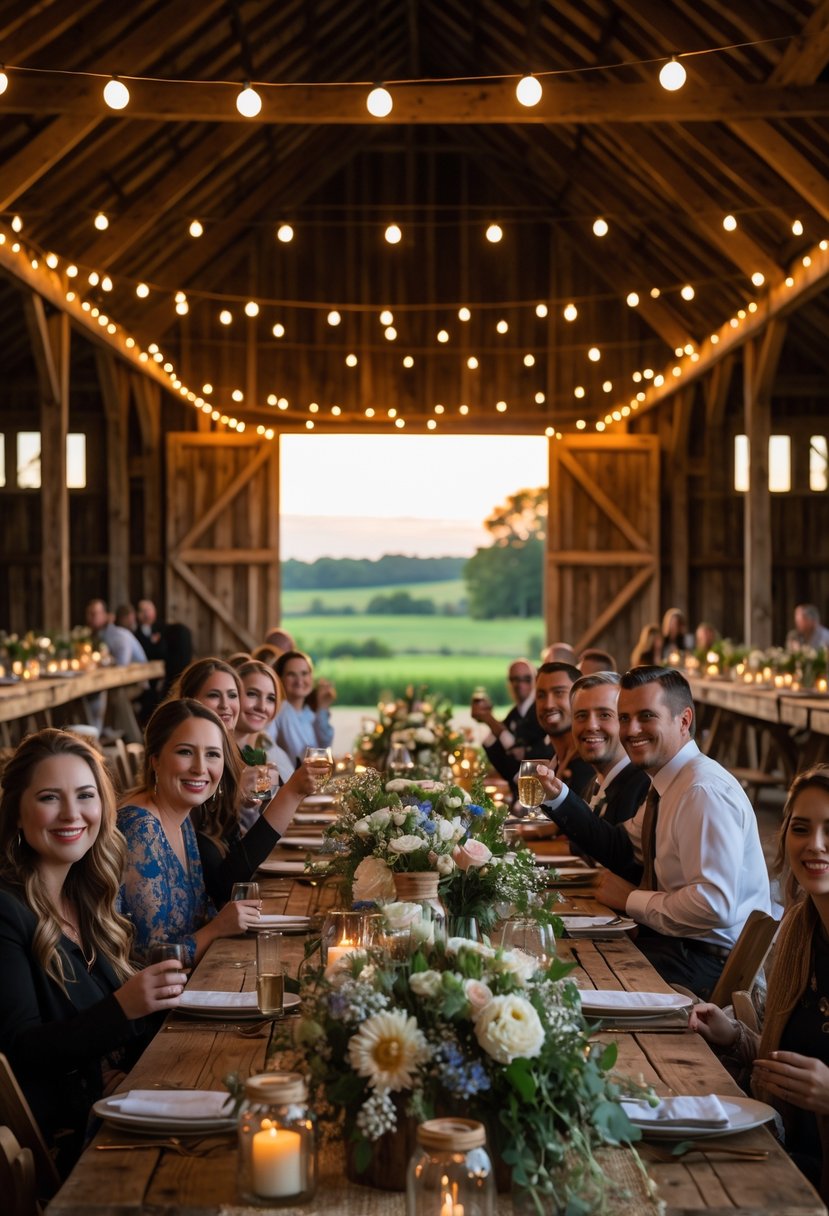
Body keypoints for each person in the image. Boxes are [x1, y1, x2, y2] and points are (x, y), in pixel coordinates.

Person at [0, 729, 186, 1175]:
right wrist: (123, 1010)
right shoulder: (6, 911)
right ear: (17, 813)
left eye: (86, 795)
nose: (72, 814)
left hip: (119, 1107)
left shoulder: (86, 899)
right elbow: (20, 1053)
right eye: (49, 797)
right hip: (67, 1149)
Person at [537, 666, 772, 997]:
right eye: (624, 717)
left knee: (568, 977)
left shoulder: (701, 790)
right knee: (554, 954)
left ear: (684, 720)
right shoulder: (667, 784)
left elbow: (714, 904)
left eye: (646, 716)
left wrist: (632, 900)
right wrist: (557, 795)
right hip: (676, 947)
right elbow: (620, 846)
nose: (631, 730)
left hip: (706, 964)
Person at [689, 767, 829, 1201]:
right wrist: (732, 1036)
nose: (815, 845)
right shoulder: (799, 930)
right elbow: (782, 1058)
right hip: (780, 1145)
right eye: (801, 828)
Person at [118, 700, 313, 962]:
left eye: (212, 754)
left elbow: (200, 913)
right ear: (155, 760)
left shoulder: (180, 817)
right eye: (185, 752)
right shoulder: (141, 827)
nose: (200, 768)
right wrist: (218, 928)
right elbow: (151, 956)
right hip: (162, 996)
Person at [542, 673, 650, 837]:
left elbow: (619, 854)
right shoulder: (594, 783)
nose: (591, 726)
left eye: (605, 715)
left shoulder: (644, 786)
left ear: (627, 721)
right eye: (581, 716)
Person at [470, 659, 547, 794]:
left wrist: (489, 720)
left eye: (526, 679)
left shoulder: (539, 712)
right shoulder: (515, 712)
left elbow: (517, 751)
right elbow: (501, 756)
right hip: (519, 792)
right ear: (509, 683)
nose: (520, 684)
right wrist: (487, 719)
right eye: (515, 680)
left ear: (535, 680)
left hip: (536, 794)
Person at [532, 662, 594, 795]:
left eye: (559, 693)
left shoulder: (592, 762)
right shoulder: (549, 760)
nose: (548, 705)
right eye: (541, 695)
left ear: (580, 697)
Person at [234, 658, 294, 788]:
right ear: (233, 695)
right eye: (252, 694)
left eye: (271, 699)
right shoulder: (217, 752)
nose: (262, 707)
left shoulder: (266, 743)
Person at [274, 649, 335, 765]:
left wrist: (323, 707)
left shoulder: (308, 713)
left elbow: (325, 747)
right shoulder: (280, 711)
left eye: (304, 673)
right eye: (291, 674)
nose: (299, 680)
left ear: (311, 677)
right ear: (279, 679)